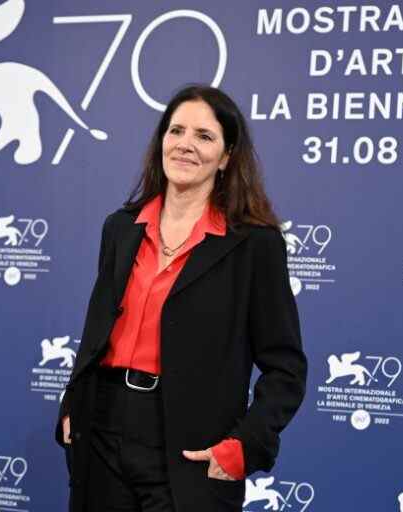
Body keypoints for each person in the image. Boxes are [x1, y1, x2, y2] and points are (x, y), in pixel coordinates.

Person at [54, 84, 307, 512]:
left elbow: (286, 367)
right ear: (161, 142)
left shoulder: (254, 244)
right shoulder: (121, 227)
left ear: (227, 156)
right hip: (102, 428)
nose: (185, 145)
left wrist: (244, 446)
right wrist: (73, 402)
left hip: (189, 445)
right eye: (176, 131)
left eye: (204, 136)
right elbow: (97, 328)